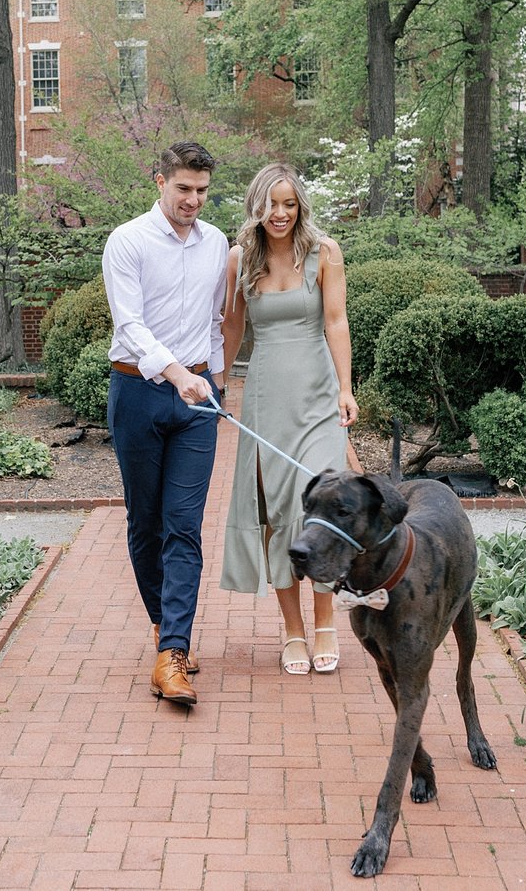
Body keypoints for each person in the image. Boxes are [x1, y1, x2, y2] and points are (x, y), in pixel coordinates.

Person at [102, 141, 228, 706]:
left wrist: (216, 381)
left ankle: (173, 651)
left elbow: (215, 320)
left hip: (199, 402)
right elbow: (129, 326)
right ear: (159, 181)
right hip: (138, 393)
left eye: (202, 191)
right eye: (183, 189)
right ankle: (162, 624)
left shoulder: (217, 243)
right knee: (145, 522)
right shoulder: (126, 241)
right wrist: (178, 375)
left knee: (184, 525)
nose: (193, 200)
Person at [220, 163, 359, 675]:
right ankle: (293, 631)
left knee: (318, 506)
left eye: (289, 204)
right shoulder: (240, 259)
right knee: (278, 513)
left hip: (319, 397)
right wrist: (216, 382)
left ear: (300, 207)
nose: (280, 214)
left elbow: (336, 321)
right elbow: (231, 327)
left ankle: (325, 621)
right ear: (257, 207)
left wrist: (346, 389)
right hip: (266, 399)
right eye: (271, 204)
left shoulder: (325, 253)